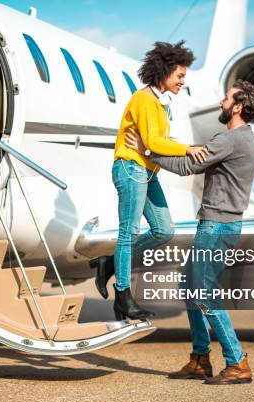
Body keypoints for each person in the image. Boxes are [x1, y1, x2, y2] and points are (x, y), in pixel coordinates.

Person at [125, 79, 254, 385]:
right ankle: (200, 359)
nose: (221, 102)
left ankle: (237, 361)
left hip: (217, 226)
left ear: (238, 107)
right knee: (191, 286)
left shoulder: (231, 139)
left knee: (203, 292)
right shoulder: (245, 139)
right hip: (220, 224)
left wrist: (146, 150)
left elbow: (188, 166)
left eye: (227, 99)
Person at [90, 41, 208, 321]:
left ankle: (109, 265)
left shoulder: (160, 103)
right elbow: (156, 142)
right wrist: (187, 148)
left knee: (164, 230)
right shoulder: (143, 100)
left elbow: (154, 144)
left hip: (148, 172)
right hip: (130, 169)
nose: (182, 81)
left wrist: (154, 147)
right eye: (179, 75)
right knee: (128, 233)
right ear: (164, 72)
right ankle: (122, 298)